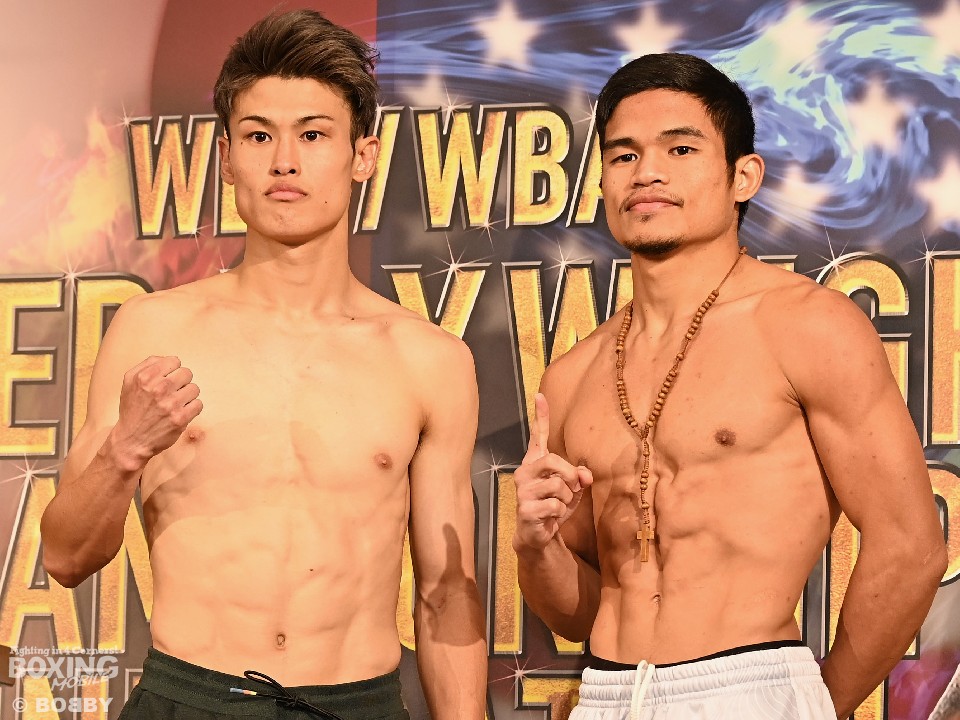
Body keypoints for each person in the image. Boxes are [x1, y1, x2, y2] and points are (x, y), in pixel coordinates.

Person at [40, 10, 486, 719]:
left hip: (357, 705)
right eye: (258, 136)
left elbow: (445, 593)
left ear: (363, 156)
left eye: (313, 135)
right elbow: (66, 558)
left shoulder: (429, 359)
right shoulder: (153, 330)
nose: (284, 162)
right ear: (226, 158)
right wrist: (126, 449)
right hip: (189, 700)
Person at [512, 52, 947, 720]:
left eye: (680, 149)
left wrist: (816, 707)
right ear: (602, 180)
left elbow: (911, 548)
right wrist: (535, 546)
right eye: (624, 155)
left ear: (744, 176)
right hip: (605, 694)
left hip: (750, 685)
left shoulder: (807, 326)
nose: (647, 172)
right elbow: (575, 615)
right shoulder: (572, 375)